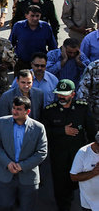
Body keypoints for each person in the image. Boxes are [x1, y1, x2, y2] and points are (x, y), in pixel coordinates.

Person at [43, 78, 97, 211]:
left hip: (78, 154)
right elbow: (43, 131)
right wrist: (62, 130)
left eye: (65, 93)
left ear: (73, 94)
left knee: (84, 183)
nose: (61, 96)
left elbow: (92, 132)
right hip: (59, 155)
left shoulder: (82, 108)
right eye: (59, 93)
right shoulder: (50, 110)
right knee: (61, 186)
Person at [0, 96, 48, 211]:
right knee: (3, 207)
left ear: (27, 111)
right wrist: (8, 163)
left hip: (28, 177)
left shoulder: (38, 128)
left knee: (27, 208)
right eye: (13, 108)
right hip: (5, 175)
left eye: (19, 109)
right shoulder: (2, 122)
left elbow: (42, 152)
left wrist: (22, 166)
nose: (14, 111)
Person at [10, 5, 57, 72]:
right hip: (22, 63)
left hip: (40, 65)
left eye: (37, 16)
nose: (35, 18)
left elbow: (52, 46)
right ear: (26, 15)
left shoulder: (45, 27)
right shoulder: (18, 26)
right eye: (32, 16)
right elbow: (10, 43)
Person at [69, 130, 99, 210]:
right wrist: (93, 173)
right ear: (96, 143)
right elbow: (73, 177)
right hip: (89, 205)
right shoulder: (83, 153)